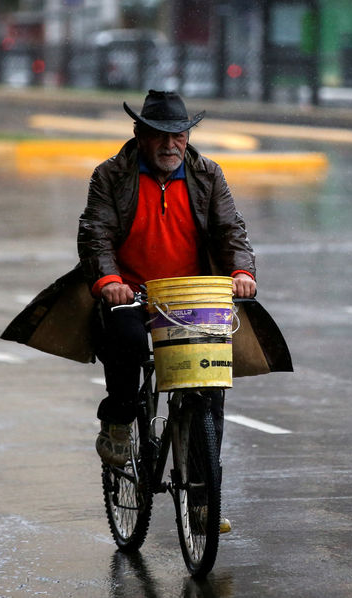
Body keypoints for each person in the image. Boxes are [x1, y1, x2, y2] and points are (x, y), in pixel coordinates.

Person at [77, 90, 256, 491]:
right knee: (126, 342)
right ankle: (119, 419)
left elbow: (231, 230)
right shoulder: (111, 175)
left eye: (179, 135)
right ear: (140, 134)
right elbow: (96, 234)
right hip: (132, 293)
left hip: (191, 297)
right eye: (159, 134)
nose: (170, 144)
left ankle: (202, 500)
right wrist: (109, 282)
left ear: (188, 137)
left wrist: (241, 270)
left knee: (207, 392)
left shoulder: (208, 175)